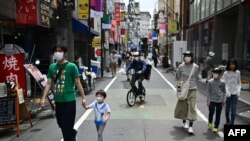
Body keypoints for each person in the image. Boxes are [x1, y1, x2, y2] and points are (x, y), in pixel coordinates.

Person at [40, 45, 87, 141]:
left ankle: (70, 137)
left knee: (67, 126)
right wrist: (43, 97)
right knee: (61, 123)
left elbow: (78, 83)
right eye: (56, 51)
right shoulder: (52, 67)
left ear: (65, 53)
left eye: (60, 51)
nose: (57, 53)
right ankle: (72, 133)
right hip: (58, 101)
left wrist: (83, 98)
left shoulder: (72, 66)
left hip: (69, 100)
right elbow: (49, 83)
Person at [174, 51, 199, 135]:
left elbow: (196, 77)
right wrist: (179, 88)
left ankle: (191, 126)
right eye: (185, 56)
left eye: (188, 56)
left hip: (193, 89)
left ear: (192, 57)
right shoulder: (180, 66)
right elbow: (177, 77)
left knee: (192, 107)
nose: (186, 57)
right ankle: (184, 122)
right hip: (184, 89)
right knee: (183, 106)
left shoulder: (196, 67)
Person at [222, 58, 241, 125]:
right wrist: (226, 91)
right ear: (228, 65)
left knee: (233, 111)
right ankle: (227, 120)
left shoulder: (238, 72)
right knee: (227, 110)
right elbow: (223, 83)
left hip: (235, 95)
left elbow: (239, 83)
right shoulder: (226, 73)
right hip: (228, 95)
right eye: (230, 65)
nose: (232, 66)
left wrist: (238, 91)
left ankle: (232, 123)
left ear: (235, 65)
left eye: (233, 64)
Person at [207, 68, 226, 133]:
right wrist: (208, 100)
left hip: (220, 100)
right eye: (214, 73)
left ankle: (216, 126)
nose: (215, 74)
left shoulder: (223, 82)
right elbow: (208, 92)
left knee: (218, 114)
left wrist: (223, 100)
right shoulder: (210, 81)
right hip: (212, 100)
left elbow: (224, 92)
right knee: (211, 112)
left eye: (217, 73)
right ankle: (210, 122)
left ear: (220, 74)